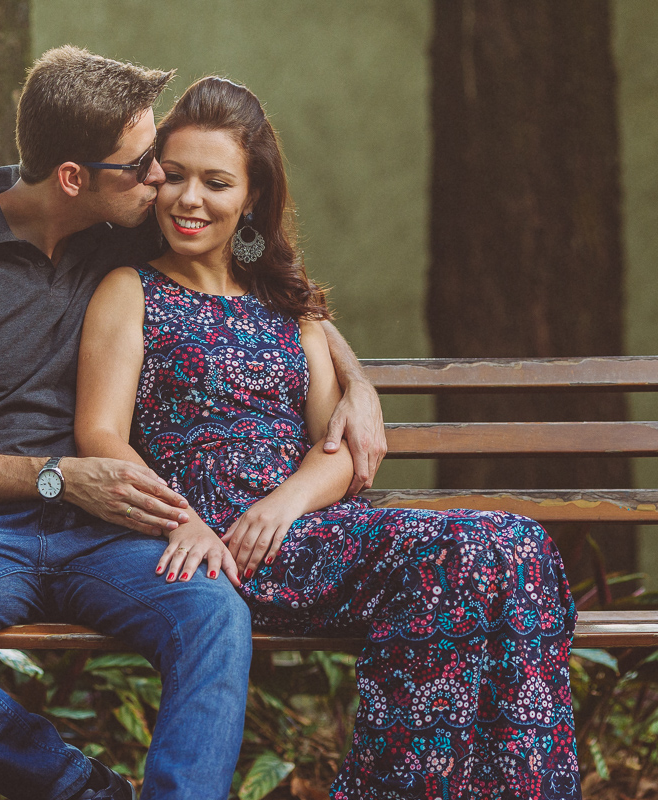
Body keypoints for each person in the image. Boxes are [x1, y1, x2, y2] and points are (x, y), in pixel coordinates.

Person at [0, 48, 387, 800]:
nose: (162, 182)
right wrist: (58, 476)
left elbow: (262, 290)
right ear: (75, 177)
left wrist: (357, 381)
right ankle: (77, 789)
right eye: (144, 165)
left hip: (117, 534)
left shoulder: (124, 227)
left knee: (212, 614)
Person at [75, 76, 582, 800]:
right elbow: (98, 432)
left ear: (251, 197)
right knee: (461, 549)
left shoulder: (286, 304)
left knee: (518, 543)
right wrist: (185, 520)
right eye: (175, 177)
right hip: (218, 539)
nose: (189, 200)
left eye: (216, 183)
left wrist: (282, 505)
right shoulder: (129, 289)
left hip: (302, 528)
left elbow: (336, 448)